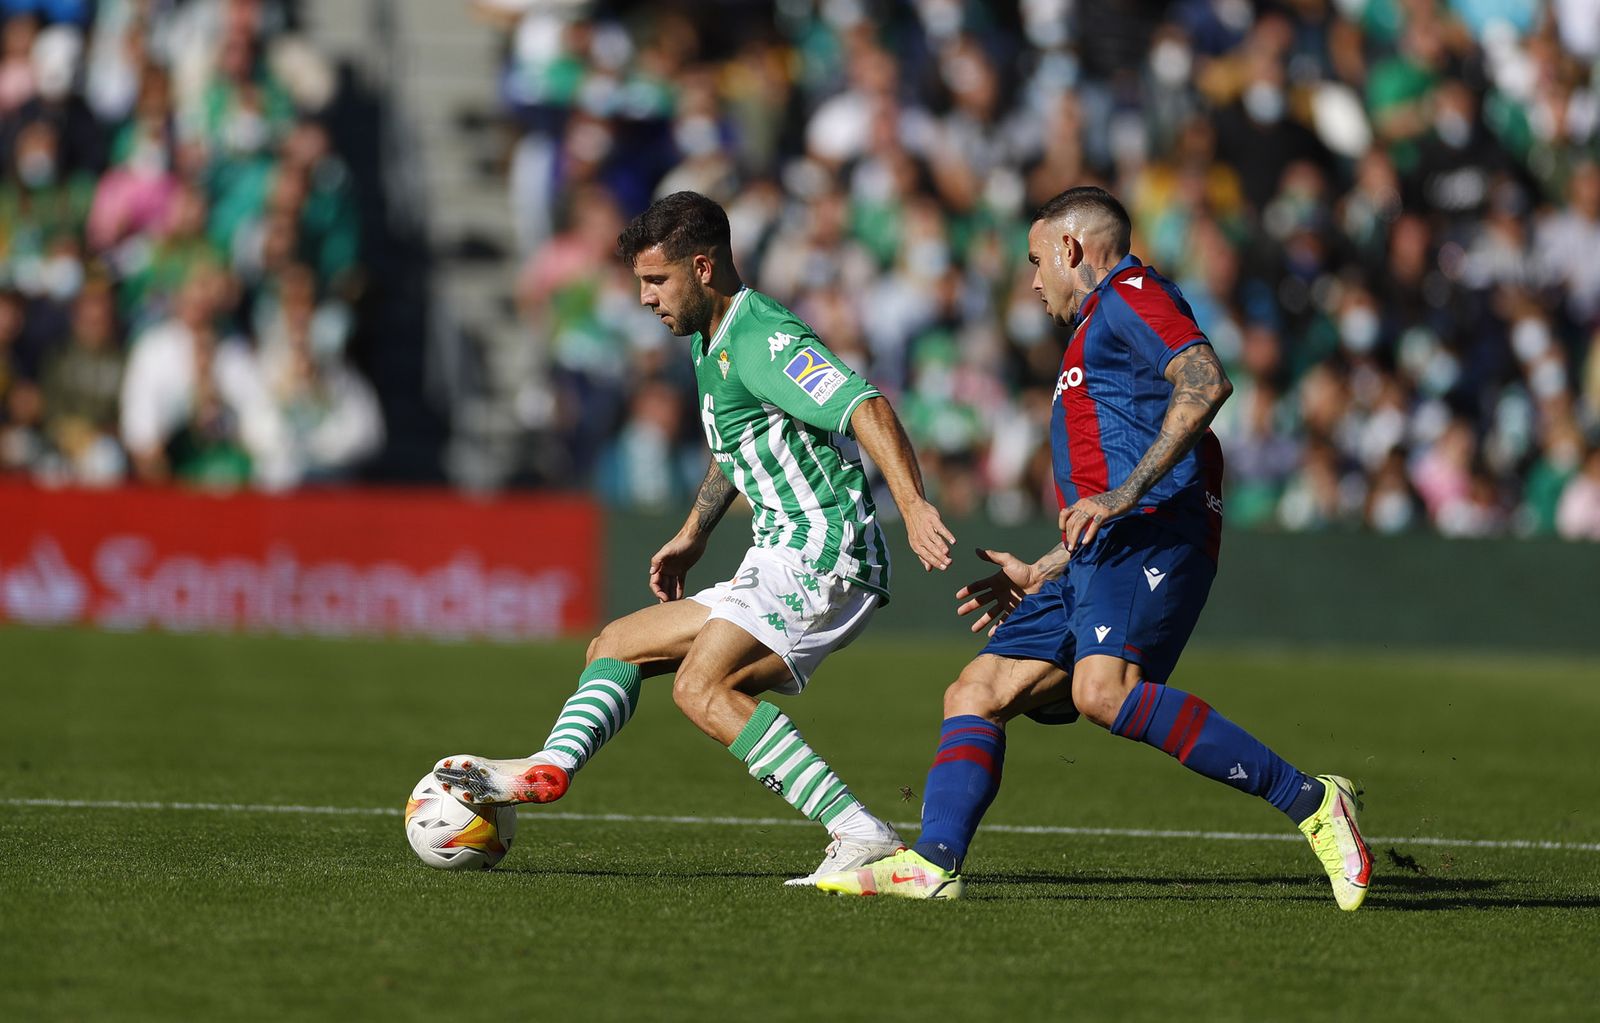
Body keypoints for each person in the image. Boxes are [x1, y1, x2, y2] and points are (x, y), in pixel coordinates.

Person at [812, 186, 1373, 909]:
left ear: (1070, 248)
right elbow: (1113, 466)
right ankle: (934, 861)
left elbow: (1206, 380)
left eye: (1035, 259)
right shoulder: (1094, 330)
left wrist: (1125, 495)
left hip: (1155, 531)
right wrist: (1047, 565)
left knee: (1103, 692)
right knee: (975, 692)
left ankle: (1313, 802)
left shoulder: (1130, 296)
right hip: (1100, 553)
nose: (1033, 279)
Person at [434, 191, 957, 883]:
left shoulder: (764, 338)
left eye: (656, 280)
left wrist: (913, 505)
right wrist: (693, 532)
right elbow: (737, 446)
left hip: (824, 550)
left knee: (699, 687)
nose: (645, 298)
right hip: (779, 552)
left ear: (703, 268)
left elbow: (865, 404)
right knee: (615, 644)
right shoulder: (711, 342)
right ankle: (549, 765)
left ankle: (860, 833)